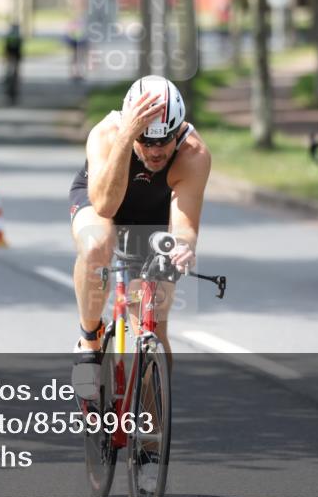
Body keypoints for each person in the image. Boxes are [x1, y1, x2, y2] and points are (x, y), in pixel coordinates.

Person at [69, 75, 211, 371]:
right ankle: (90, 341)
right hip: (101, 200)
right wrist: (125, 139)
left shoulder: (193, 154)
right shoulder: (106, 134)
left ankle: (154, 398)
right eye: (146, 141)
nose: (156, 151)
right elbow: (105, 206)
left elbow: (184, 226)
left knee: (150, 321)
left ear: (177, 130)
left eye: (164, 140)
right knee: (97, 247)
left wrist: (182, 246)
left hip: (153, 216)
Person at [3, 23, 23, 105]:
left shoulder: (10, 36)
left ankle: (8, 82)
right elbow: (20, 50)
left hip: (12, 57)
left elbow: (6, 48)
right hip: (14, 57)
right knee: (15, 74)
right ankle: (12, 84)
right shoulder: (18, 37)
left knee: (10, 72)